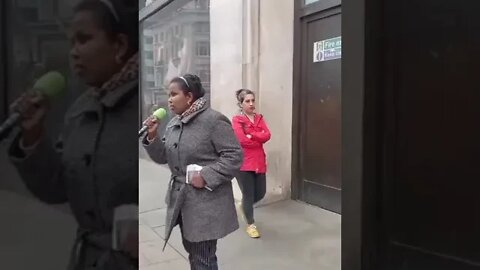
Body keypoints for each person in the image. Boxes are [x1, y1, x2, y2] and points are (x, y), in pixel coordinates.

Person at [8, 0, 138, 269]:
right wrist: (33, 136)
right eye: (71, 43)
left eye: (84, 39)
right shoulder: (79, 110)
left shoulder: (152, 107)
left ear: (120, 45)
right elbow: (57, 188)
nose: (74, 53)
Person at [142, 74, 243, 270]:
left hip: (205, 206)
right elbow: (163, 157)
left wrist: (206, 176)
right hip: (181, 203)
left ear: (189, 97)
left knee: (203, 258)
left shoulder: (213, 121)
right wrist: (153, 136)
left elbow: (234, 156)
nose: (169, 99)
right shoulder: (173, 123)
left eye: (174, 94)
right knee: (194, 254)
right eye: (168, 95)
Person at [232, 89, 271, 238]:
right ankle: (251, 224)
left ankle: (244, 207)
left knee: (260, 193)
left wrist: (251, 134)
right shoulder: (237, 120)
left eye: (253, 100)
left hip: (259, 161)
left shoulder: (260, 118)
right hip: (243, 163)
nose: (251, 104)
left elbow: (267, 135)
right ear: (241, 104)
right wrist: (257, 137)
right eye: (247, 101)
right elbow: (241, 140)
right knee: (248, 194)